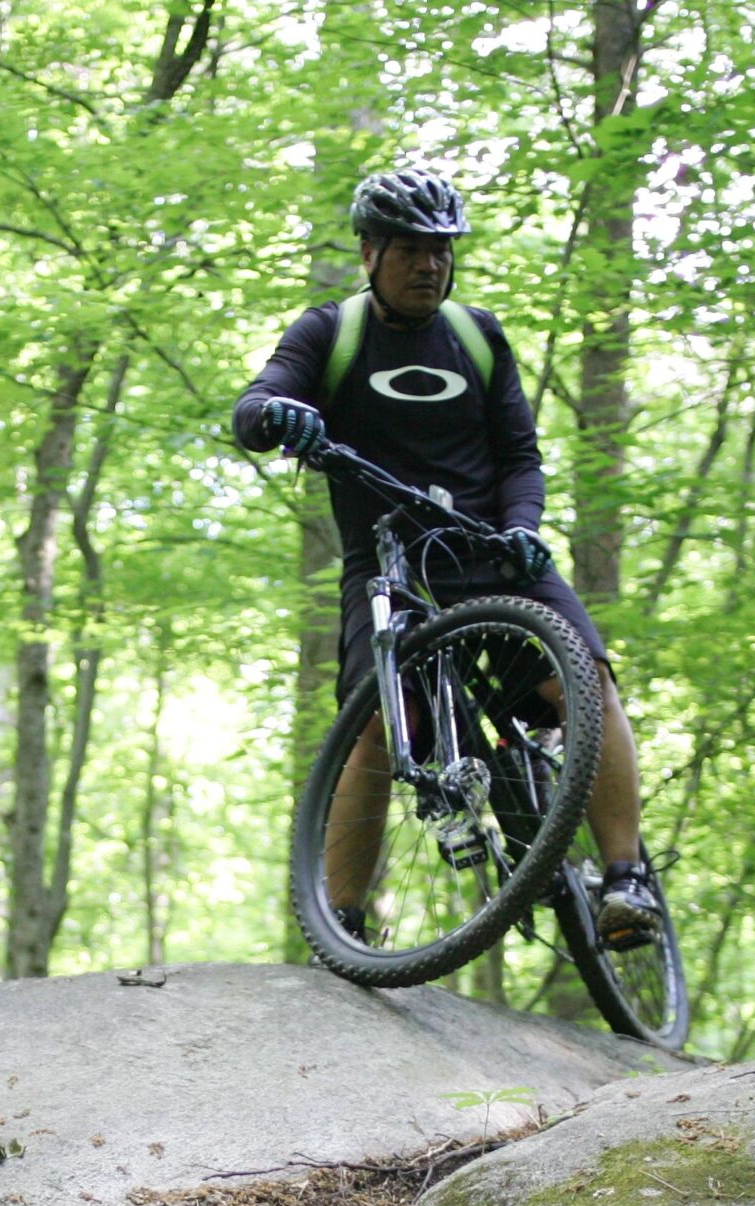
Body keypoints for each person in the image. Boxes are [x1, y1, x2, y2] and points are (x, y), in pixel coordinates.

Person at [233, 166, 657, 950]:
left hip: (496, 552)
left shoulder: (477, 336)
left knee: (586, 683)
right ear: (369, 253)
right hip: (387, 564)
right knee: (372, 724)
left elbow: (521, 456)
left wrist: (525, 524)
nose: (429, 264)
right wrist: (275, 415)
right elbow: (258, 404)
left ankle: (626, 881)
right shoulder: (330, 333)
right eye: (409, 250)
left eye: (441, 250)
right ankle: (343, 922)